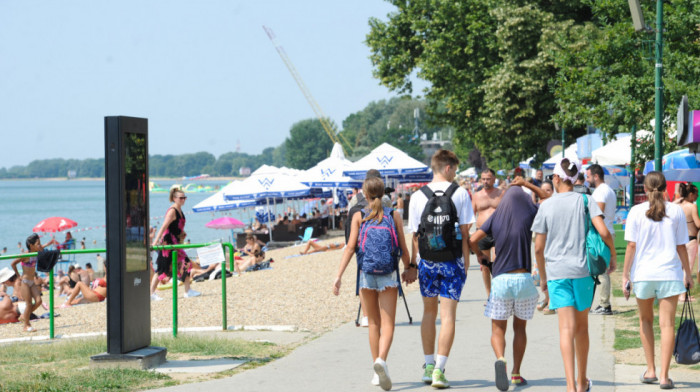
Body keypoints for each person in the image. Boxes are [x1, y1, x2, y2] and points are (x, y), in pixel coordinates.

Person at [532, 158, 616, 392]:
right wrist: (613, 255)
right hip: (582, 272)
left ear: (557, 178)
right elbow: (603, 231)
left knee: (565, 330)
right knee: (582, 328)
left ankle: (569, 386)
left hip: (557, 273)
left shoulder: (547, 205)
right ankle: (581, 381)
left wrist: (543, 277)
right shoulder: (586, 200)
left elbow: (538, 248)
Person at [333, 176, 415, 391]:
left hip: (366, 275)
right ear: (384, 193)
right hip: (388, 273)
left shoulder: (359, 216)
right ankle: (382, 361)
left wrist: (338, 276)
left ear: (365, 194)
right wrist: (408, 268)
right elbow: (403, 248)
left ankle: (376, 370)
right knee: (388, 324)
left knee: (373, 323)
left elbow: (350, 248)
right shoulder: (394, 214)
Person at [468, 178, 550, 390]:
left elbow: (472, 240)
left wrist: (480, 257)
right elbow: (548, 199)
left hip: (501, 280)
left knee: (498, 329)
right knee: (520, 328)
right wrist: (528, 185)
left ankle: (501, 358)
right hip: (523, 279)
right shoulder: (530, 213)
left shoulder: (496, 217)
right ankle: (516, 373)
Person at [622, 171, 694, 389]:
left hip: (643, 275)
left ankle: (650, 369)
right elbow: (681, 246)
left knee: (645, 321)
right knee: (667, 325)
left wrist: (625, 275)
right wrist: (688, 273)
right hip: (669, 275)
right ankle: (664, 376)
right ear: (665, 188)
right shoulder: (677, 212)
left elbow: (631, 246)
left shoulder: (635, 211)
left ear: (644, 188)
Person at [409, 149, 474, 389]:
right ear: (448, 167)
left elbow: (415, 236)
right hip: (452, 261)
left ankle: (427, 366)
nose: (456, 174)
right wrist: (465, 264)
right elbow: (465, 233)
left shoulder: (417, 196)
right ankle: (439, 369)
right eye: (455, 170)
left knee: (429, 313)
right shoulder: (460, 193)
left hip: (426, 261)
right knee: (448, 316)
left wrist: (414, 264)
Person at [150, 188, 200, 300]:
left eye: (184, 197)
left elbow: (176, 226)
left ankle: (188, 291)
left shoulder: (180, 210)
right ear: (174, 198)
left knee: (186, 263)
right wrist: (155, 242)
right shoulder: (172, 211)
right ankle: (151, 293)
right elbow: (164, 226)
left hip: (175, 242)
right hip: (168, 243)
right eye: (181, 198)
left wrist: (182, 233)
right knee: (162, 268)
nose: (183, 200)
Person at [586, 164, 617, 315]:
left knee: (601, 269)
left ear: (595, 176)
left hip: (602, 233)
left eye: (588, 176)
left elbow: (597, 214)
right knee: (601, 268)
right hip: (608, 231)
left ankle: (605, 304)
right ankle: (603, 304)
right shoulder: (608, 190)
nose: (587, 180)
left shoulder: (600, 192)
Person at [472, 168, 502, 297]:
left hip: (497, 232)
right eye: (483, 179)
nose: (485, 181)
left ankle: (498, 293)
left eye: (488, 178)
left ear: (494, 179)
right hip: (481, 232)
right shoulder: (477, 196)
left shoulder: (502, 194)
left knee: (496, 264)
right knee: (484, 265)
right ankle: (489, 294)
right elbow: (471, 216)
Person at [10, 234, 48, 332]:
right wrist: (18, 275)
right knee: (29, 303)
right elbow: (13, 263)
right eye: (38, 244)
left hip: (32, 282)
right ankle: (26, 326)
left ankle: (24, 316)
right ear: (31, 245)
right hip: (25, 282)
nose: (40, 245)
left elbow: (43, 248)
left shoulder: (36, 253)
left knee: (39, 301)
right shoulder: (26, 255)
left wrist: (51, 243)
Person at [676, 182, 700, 299]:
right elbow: (698, 224)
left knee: (679, 267)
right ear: (690, 194)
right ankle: (683, 294)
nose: (697, 196)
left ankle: (679, 292)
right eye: (696, 194)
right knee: (687, 268)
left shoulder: (676, 205)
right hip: (690, 239)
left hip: (678, 240)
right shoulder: (692, 207)